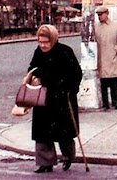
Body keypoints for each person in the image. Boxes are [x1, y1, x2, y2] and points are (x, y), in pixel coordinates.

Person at [25, 24, 82, 173]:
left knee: (64, 133)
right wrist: (34, 77)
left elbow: (76, 73)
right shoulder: (38, 52)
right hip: (43, 98)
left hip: (62, 99)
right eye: (40, 41)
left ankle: (68, 156)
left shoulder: (65, 52)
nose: (43, 45)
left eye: (46, 42)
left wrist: (70, 90)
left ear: (53, 39)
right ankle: (45, 162)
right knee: (42, 133)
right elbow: (32, 68)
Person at [94, 6, 117, 110]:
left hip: (112, 57)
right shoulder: (96, 27)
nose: (99, 17)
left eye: (101, 14)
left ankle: (116, 102)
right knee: (103, 83)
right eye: (98, 15)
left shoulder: (116, 26)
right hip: (101, 58)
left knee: (114, 82)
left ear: (107, 14)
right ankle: (105, 103)